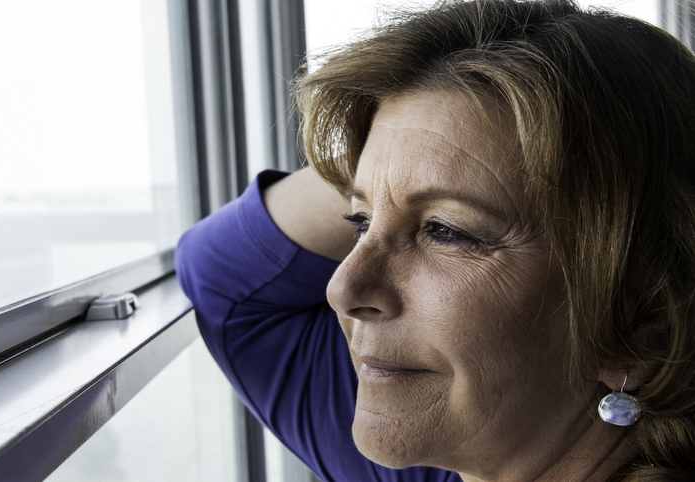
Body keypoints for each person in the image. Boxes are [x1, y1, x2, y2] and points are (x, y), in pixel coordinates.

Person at [176, 0, 695, 480]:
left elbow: (225, 281)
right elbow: (219, 272)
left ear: (642, 319)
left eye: (444, 232)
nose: (343, 289)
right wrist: (414, 147)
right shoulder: (452, 449)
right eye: (358, 222)